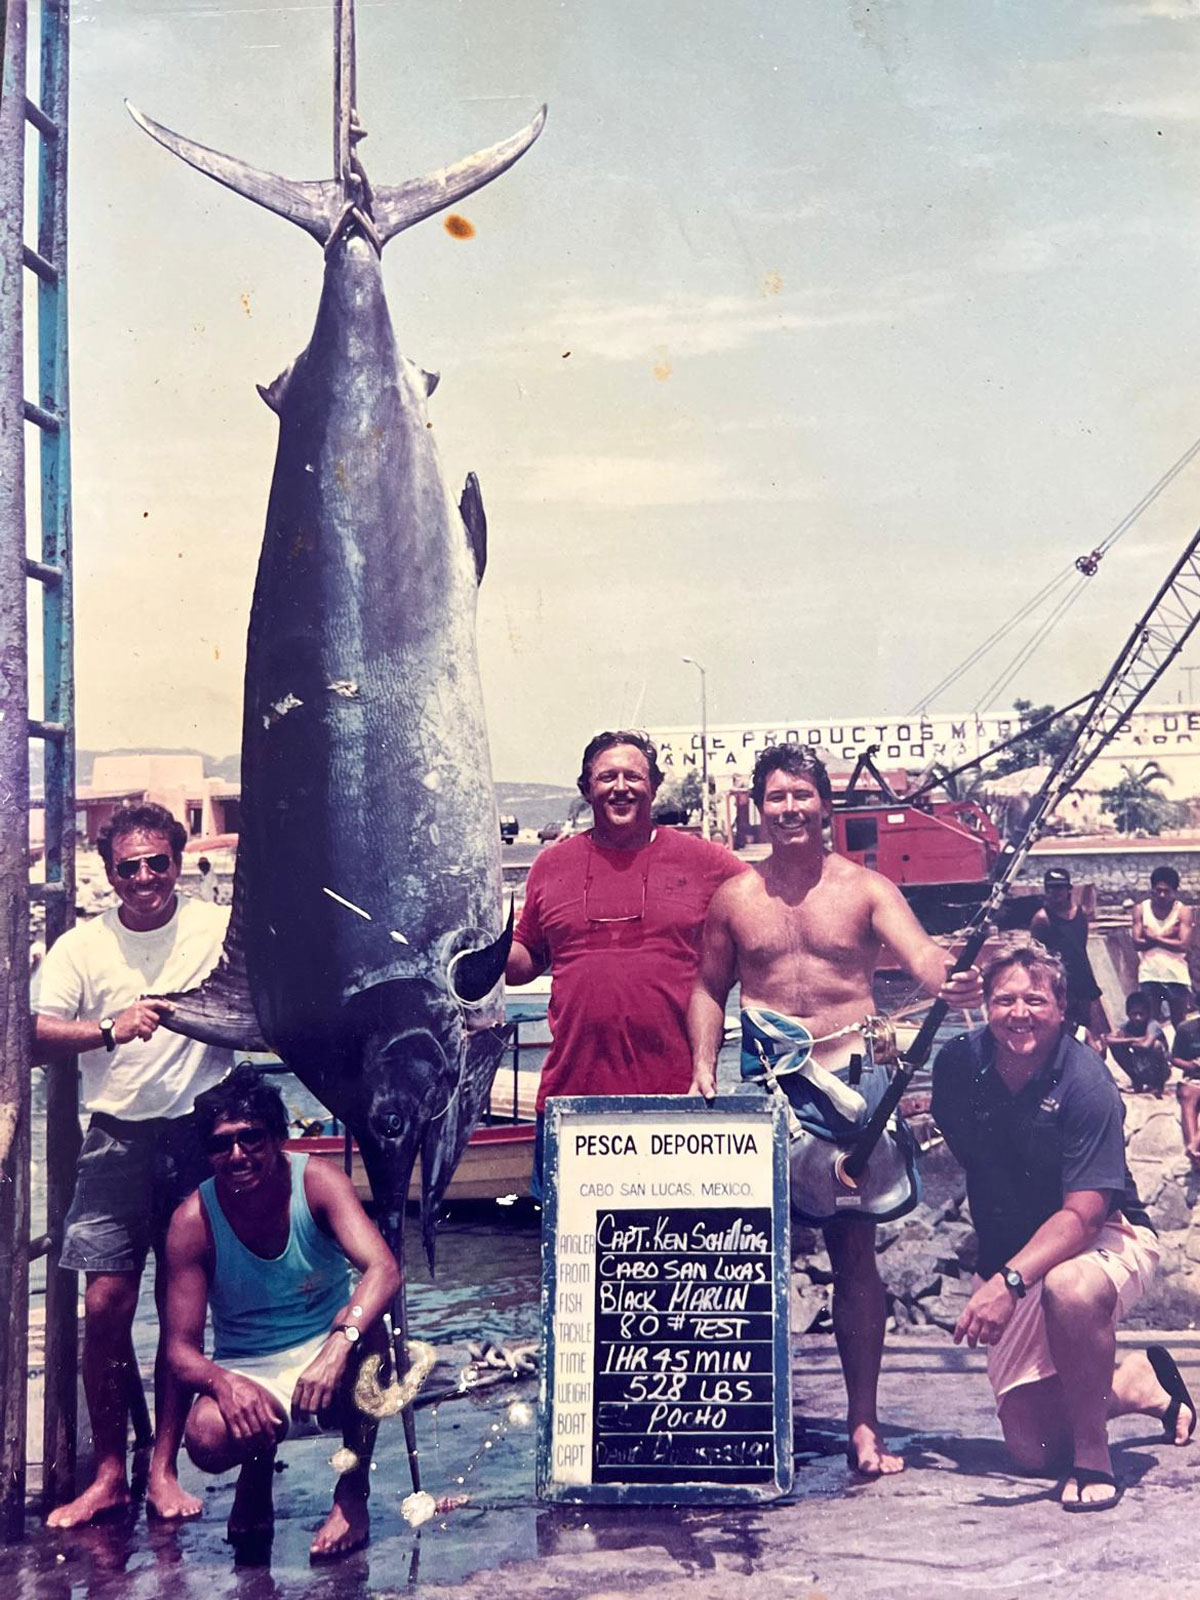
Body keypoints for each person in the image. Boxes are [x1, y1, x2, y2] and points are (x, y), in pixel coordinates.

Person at [688, 743, 983, 1477]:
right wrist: (700, 1067)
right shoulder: (734, 897)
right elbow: (706, 989)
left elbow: (924, 957)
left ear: (825, 804)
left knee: (855, 1252)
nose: (789, 809)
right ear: (759, 807)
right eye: (776, 797)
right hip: (768, 1093)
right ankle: (748, 1422)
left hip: (854, 1088)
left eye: (802, 795)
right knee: (748, 1254)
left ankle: (862, 1422)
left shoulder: (867, 888)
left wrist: (956, 979)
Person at [932, 945, 1194, 1510]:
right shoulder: (957, 1064)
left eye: (1035, 999)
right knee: (1030, 1448)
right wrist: (999, 1266)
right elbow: (978, 1159)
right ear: (984, 1002)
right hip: (1019, 1255)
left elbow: (1085, 1214)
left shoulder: (1086, 1082)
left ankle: (1094, 1458)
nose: (1019, 1013)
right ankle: (1135, 1382)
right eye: (1004, 999)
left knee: (1069, 1286)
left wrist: (1008, 1283)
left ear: (1061, 1006)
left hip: (1107, 1234)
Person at [33, 803, 233, 1526]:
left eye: (158, 862)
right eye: (129, 867)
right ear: (109, 872)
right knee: (104, 1307)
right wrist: (106, 1029)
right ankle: (109, 1474)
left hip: (198, 1138)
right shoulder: (82, 946)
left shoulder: (217, 929)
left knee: (182, 1314)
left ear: (178, 863)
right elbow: (29, 1031)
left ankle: (163, 1470)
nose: (145, 878)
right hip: (116, 1140)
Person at [163, 1066, 402, 1559]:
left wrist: (341, 1342)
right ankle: (256, 1469)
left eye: (250, 1138)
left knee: (372, 1335)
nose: (236, 1155)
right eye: (220, 1144)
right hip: (251, 1368)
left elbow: (383, 1269)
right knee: (204, 1438)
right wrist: (224, 1384)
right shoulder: (191, 1220)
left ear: (276, 1137)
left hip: (328, 1349)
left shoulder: (317, 1181)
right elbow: (179, 1351)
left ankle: (352, 1493)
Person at [505, 730, 746, 1190]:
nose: (621, 787)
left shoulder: (708, 861)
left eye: (633, 776)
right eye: (607, 777)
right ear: (586, 788)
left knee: (670, 1251)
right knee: (574, 1258)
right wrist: (479, 946)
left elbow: (764, 914)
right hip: (571, 1107)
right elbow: (523, 964)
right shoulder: (549, 866)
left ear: (654, 786)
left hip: (679, 1100)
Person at [1030, 867, 1106, 1037]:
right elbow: (1037, 956)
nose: (1056, 892)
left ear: (1068, 889)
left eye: (1060, 887)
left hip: (1083, 978)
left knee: (1089, 1028)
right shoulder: (1042, 919)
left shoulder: (1081, 913)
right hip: (1060, 982)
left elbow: (1081, 945)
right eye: (1051, 888)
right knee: (1063, 1028)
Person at [1133, 866, 1194, 1027]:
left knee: (1179, 1023)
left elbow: (1183, 945)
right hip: (1149, 975)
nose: (1162, 895)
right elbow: (1136, 943)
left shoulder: (1183, 911)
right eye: (1158, 891)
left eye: (1166, 891)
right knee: (1150, 1024)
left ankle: (1181, 1052)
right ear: (1152, 889)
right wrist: (1168, 935)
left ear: (1175, 891)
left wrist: (1153, 937)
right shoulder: (1141, 909)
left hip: (1175, 975)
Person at [1098, 991, 1170, 1096]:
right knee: (1115, 1047)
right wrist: (1133, 1040)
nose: (1138, 1018)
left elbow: (1146, 1044)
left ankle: (1158, 1086)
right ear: (1128, 1013)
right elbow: (1108, 1039)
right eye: (1134, 1014)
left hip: (1161, 1070)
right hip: (1140, 1066)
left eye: (1141, 1014)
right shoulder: (1127, 1026)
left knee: (1156, 1045)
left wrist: (1127, 1040)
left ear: (1148, 1013)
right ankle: (1136, 1080)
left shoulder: (1152, 1025)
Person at [1169, 994, 1200, 1169]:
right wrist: (1190, 1064)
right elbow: (1175, 1058)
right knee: (1188, 1097)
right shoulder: (1186, 1029)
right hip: (1194, 1077)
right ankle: (1195, 1156)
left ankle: (1194, 1145)